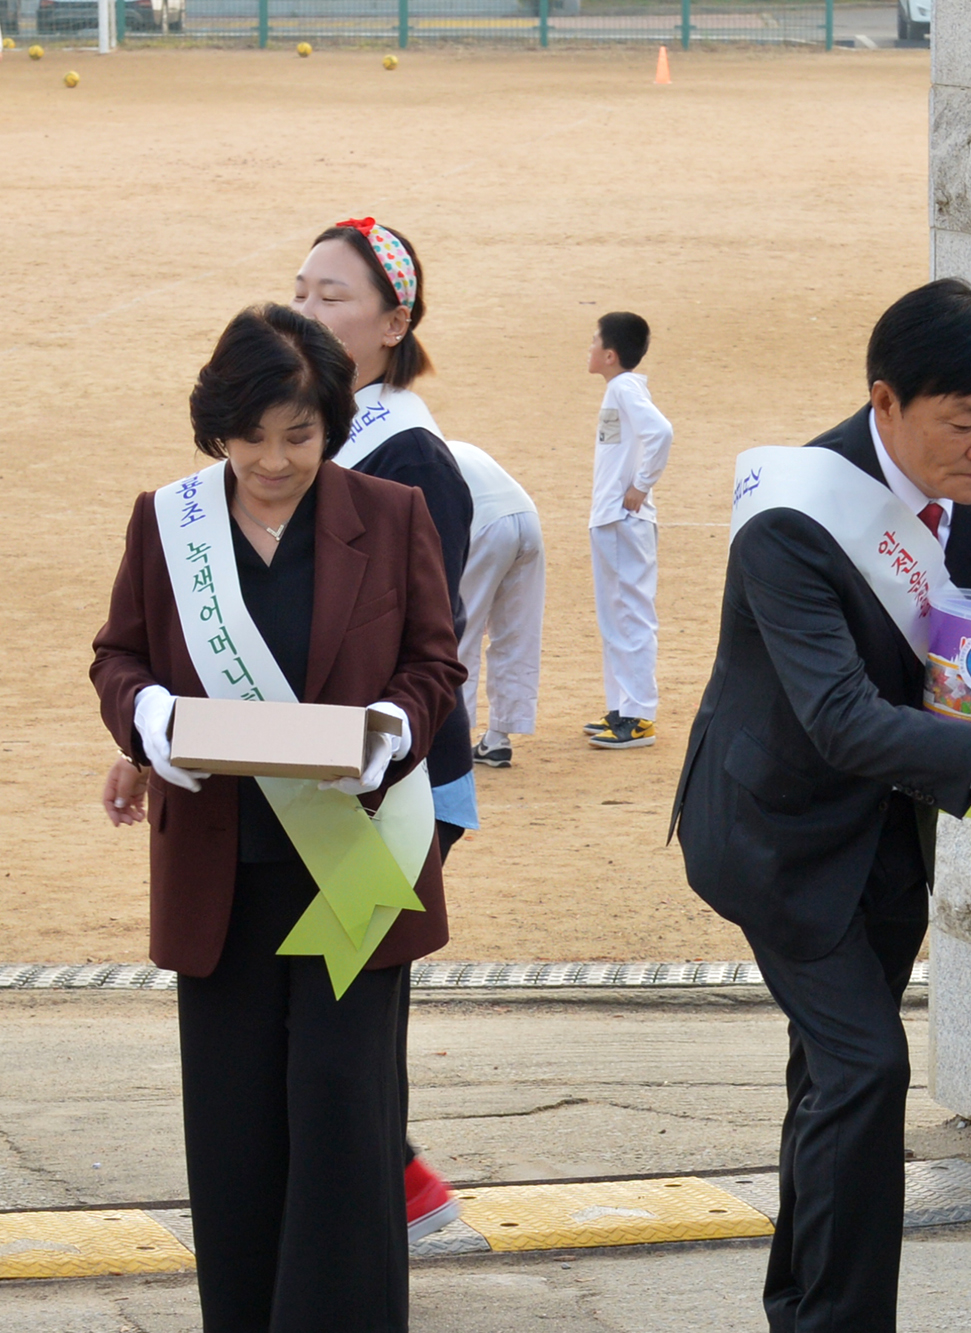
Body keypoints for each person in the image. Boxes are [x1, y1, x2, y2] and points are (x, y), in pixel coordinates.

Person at [671, 279, 971, 1333]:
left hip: (890, 827)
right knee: (867, 1067)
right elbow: (841, 718)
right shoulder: (790, 518)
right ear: (886, 401)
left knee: (828, 1079)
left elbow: (953, 645)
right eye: (963, 422)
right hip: (776, 830)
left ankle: (798, 1304)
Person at [93, 304, 463, 1332]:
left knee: (346, 1118)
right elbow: (118, 655)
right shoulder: (168, 523)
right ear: (217, 426)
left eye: (298, 434)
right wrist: (149, 718)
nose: (272, 459)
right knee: (236, 1133)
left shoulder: (389, 514)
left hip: (353, 864)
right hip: (223, 872)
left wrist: (393, 727)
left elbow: (435, 662)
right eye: (250, 435)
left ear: (329, 423)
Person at [293, 216, 476, 1239]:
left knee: (338, 1002)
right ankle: (389, 1193)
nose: (304, 310)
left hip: (393, 785)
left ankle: (390, 1203)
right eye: (300, 290)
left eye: (332, 295)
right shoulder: (305, 430)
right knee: (322, 1000)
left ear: (394, 321)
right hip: (308, 773)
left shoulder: (410, 454)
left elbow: (425, 644)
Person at [585, 311, 674, 751]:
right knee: (615, 617)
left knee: (630, 615)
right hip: (612, 518)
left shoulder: (622, 388)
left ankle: (639, 715)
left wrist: (641, 485)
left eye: (593, 342)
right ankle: (623, 706)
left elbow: (661, 432)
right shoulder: (621, 389)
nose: (588, 349)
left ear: (610, 354)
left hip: (622, 518)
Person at [449, 439, 544, 768]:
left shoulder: (410, 461)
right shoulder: (456, 447)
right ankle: (499, 738)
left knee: (459, 632)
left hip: (486, 525)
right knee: (517, 631)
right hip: (527, 518)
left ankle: (454, 737)